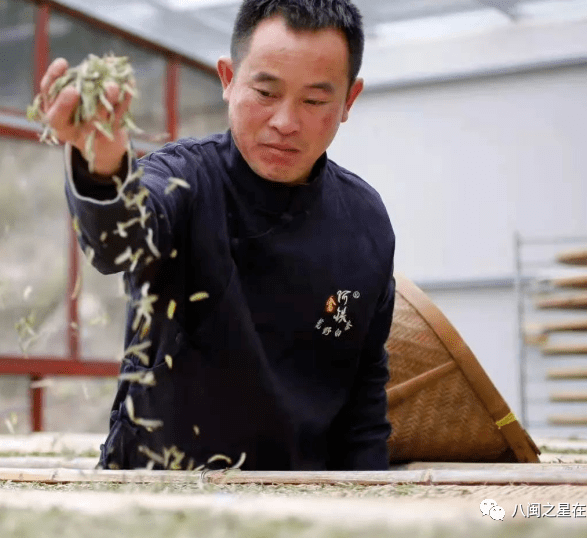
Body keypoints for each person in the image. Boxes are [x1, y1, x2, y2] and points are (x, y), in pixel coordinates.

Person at [41, 0, 396, 471]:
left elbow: (364, 395)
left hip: (303, 500)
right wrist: (104, 164)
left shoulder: (364, 222)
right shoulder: (181, 179)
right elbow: (118, 242)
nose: (286, 122)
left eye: (314, 101)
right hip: (157, 491)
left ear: (349, 100)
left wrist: (369, 503)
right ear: (228, 79)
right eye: (266, 93)